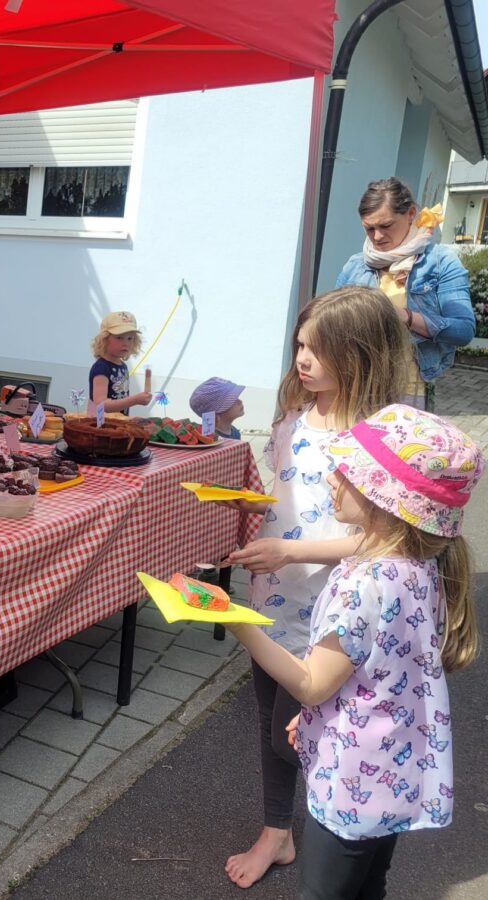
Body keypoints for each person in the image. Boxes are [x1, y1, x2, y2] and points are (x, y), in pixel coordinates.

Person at [224, 404, 481, 899]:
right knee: (369, 887)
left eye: (347, 473)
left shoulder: (366, 581)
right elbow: (381, 669)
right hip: (395, 767)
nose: (332, 482)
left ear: (384, 499)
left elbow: (310, 682)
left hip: (352, 779)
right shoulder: (418, 566)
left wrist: (235, 619)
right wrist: (322, 714)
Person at [222, 286, 410, 889]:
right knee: (265, 721)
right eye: (300, 344)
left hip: (335, 613)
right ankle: (277, 830)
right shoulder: (296, 416)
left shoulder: (379, 438)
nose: (301, 359)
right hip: (276, 592)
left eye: (318, 350)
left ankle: (342, 831)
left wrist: (291, 548)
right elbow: (288, 497)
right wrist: (248, 512)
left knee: (295, 733)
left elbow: (385, 539)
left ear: (358, 354)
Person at [336, 178, 474, 409]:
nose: (377, 236)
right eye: (369, 228)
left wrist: (405, 317)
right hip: (356, 388)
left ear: (411, 214)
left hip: (409, 392)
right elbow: (331, 325)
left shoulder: (441, 262)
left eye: (386, 225)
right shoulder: (356, 266)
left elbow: (463, 330)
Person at [89, 311, 152, 413]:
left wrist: (140, 398)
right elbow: (101, 404)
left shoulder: (123, 366)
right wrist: (134, 400)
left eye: (130, 338)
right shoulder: (101, 368)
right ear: (104, 339)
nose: (126, 343)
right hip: (101, 426)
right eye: (119, 338)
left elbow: (119, 396)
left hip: (119, 424)